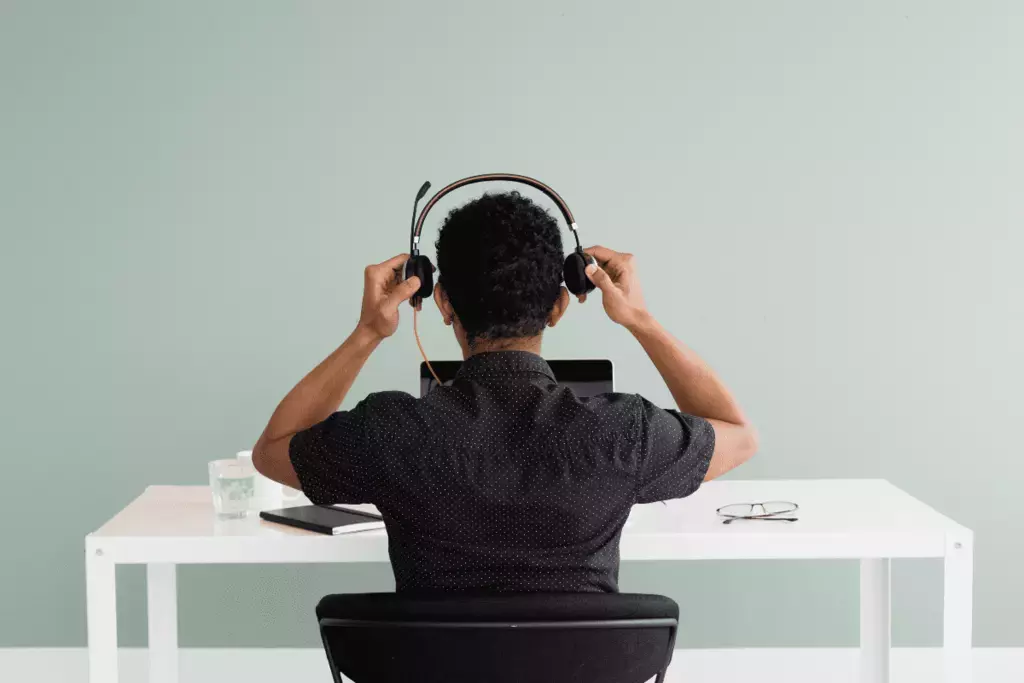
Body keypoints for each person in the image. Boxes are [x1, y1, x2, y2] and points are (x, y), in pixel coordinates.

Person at [252, 192, 757, 592]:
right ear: (560, 306)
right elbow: (738, 435)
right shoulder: (624, 433)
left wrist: (367, 332)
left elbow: (272, 450)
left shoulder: (390, 432)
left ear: (442, 301)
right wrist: (639, 320)